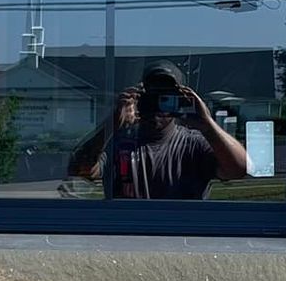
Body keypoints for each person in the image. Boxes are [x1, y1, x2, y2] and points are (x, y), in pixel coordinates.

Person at [68, 61, 249, 200]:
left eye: (166, 99)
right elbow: (79, 171)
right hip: (127, 233)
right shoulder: (117, 143)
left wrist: (207, 124)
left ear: (181, 101)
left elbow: (239, 169)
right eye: (149, 98)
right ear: (137, 99)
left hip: (183, 233)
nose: (156, 107)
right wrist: (113, 123)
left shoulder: (195, 144)